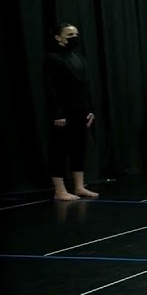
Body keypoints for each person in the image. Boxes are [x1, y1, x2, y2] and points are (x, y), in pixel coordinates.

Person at [44, 23, 98, 201]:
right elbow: (51, 88)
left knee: (79, 149)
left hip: (80, 111)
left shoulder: (78, 57)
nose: (75, 37)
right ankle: (59, 190)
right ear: (58, 37)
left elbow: (86, 86)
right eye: (70, 34)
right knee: (59, 149)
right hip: (64, 113)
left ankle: (79, 187)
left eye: (76, 34)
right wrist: (58, 113)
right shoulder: (53, 59)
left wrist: (90, 109)